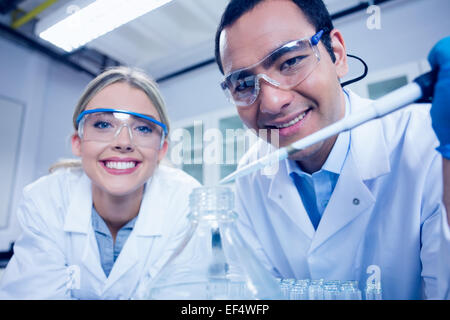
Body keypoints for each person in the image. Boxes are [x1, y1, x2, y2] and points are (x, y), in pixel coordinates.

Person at [214, 0, 450, 299]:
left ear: (336, 54)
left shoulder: (426, 143)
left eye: (289, 62)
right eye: (244, 83)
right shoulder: (249, 177)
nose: (272, 102)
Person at [0, 67, 201, 299]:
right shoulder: (45, 199)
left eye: (143, 128)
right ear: (78, 142)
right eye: (104, 125)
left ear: (161, 150)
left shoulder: (187, 202)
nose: (124, 142)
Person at [428, 36, 450, 299]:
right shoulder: (265, 167)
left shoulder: (429, 134)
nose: (272, 102)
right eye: (261, 83)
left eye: (291, 61)